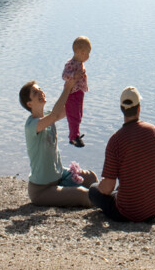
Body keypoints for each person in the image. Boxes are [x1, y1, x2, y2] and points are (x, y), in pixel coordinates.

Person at [89, 86, 155, 222]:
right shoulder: (153, 131)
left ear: (121, 109)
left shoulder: (116, 140)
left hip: (128, 212)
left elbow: (108, 187)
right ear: (139, 108)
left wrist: (100, 186)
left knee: (93, 191)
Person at [19, 78, 98, 207]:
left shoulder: (48, 116)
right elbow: (55, 116)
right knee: (82, 194)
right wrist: (67, 88)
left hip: (59, 176)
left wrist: (77, 86)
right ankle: (110, 205)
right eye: (35, 93)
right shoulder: (32, 125)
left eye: (40, 89)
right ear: (29, 104)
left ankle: (110, 196)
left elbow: (70, 109)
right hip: (41, 190)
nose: (40, 92)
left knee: (90, 177)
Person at [62, 36, 92, 147]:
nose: (88, 56)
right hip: (72, 93)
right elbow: (64, 75)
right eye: (88, 53)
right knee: (74, 115)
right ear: (81, 52)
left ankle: (76, 134)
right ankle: (73, 137)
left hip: (79, 92)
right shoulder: (71, 63)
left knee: (79, 115)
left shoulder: (79, 63)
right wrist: (73, 76)